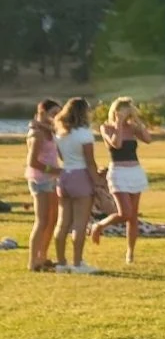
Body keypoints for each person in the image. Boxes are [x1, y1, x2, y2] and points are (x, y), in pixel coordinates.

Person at [86, 97, 152, 264]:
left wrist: (137, 121)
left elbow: (148, 139)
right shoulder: (106, 128)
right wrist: (118, 124)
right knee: (124, 213)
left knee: (133, 216)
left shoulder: (132, 128)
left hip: (135, 172)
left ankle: (130, 252)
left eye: (128, 110)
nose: (126, 114)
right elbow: (117, 143)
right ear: (115, 111)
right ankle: (99, 226)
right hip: (118, 172)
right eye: (123, 110)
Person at [52, 97, 100, 275]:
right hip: (81, 176)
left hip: (65, 176)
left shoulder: (60, 134)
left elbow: (63, 159)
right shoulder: (85, 134)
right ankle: (78, 263)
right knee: (80, 223)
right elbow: (90, 162)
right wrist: (98, 182)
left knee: (63, 222)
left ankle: (61, 262)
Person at [24, 99, 62, 273]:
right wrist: (54, 170)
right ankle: (33, 261)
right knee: (42, 221)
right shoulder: (37, 134)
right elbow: (32, 162)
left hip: (51, 179)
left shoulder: (48, 131)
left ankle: (43, 256)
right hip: (40, 180)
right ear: (42, 112)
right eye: (53, 113)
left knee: (53, 219)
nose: (56, 117)